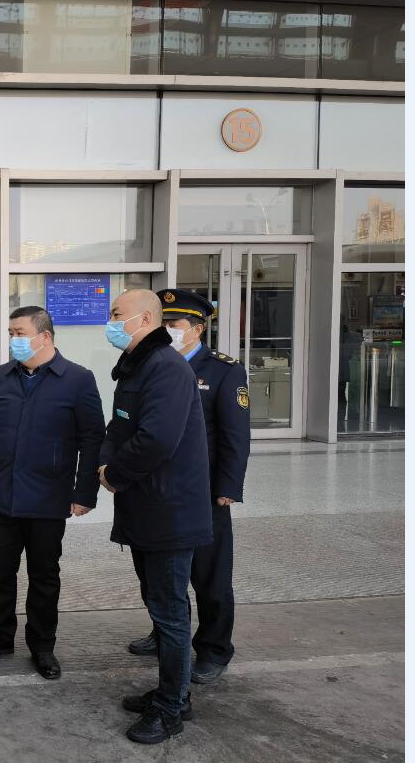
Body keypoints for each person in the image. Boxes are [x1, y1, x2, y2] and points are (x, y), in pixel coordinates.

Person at [0, 306, 105, 680]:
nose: (13, 340)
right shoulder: (3, 376)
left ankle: (42, 646)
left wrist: (84, 493)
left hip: (48, 498)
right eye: (11, 333)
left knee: (44, 576)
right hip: (2, 497)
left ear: (45, 337)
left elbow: (93, 439)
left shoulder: (77, 379)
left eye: (20, 333)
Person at [97, 289, 212, 744]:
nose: (110, 321)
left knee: (169, 613)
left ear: (145, 319)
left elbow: (157, 439)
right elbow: (119, 426)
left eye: (117, 314)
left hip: (169, 512)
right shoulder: (136, 365)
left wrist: (114, 474)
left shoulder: (165, 368)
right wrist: (106, 464)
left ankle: (171, 708)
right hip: (145, 509)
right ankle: (173, 690)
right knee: (160, 605)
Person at [126, 289, 250, 685]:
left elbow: (235, 435)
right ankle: (164, 632)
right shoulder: (149, 364)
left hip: (204, 492)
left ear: (196, 329)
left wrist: (228, 486)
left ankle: (214, 648)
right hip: (157, 491)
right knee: (156, 573)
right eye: (162, 323)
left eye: (174, 324)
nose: (166, 330)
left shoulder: (223, 371)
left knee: (210, 577)